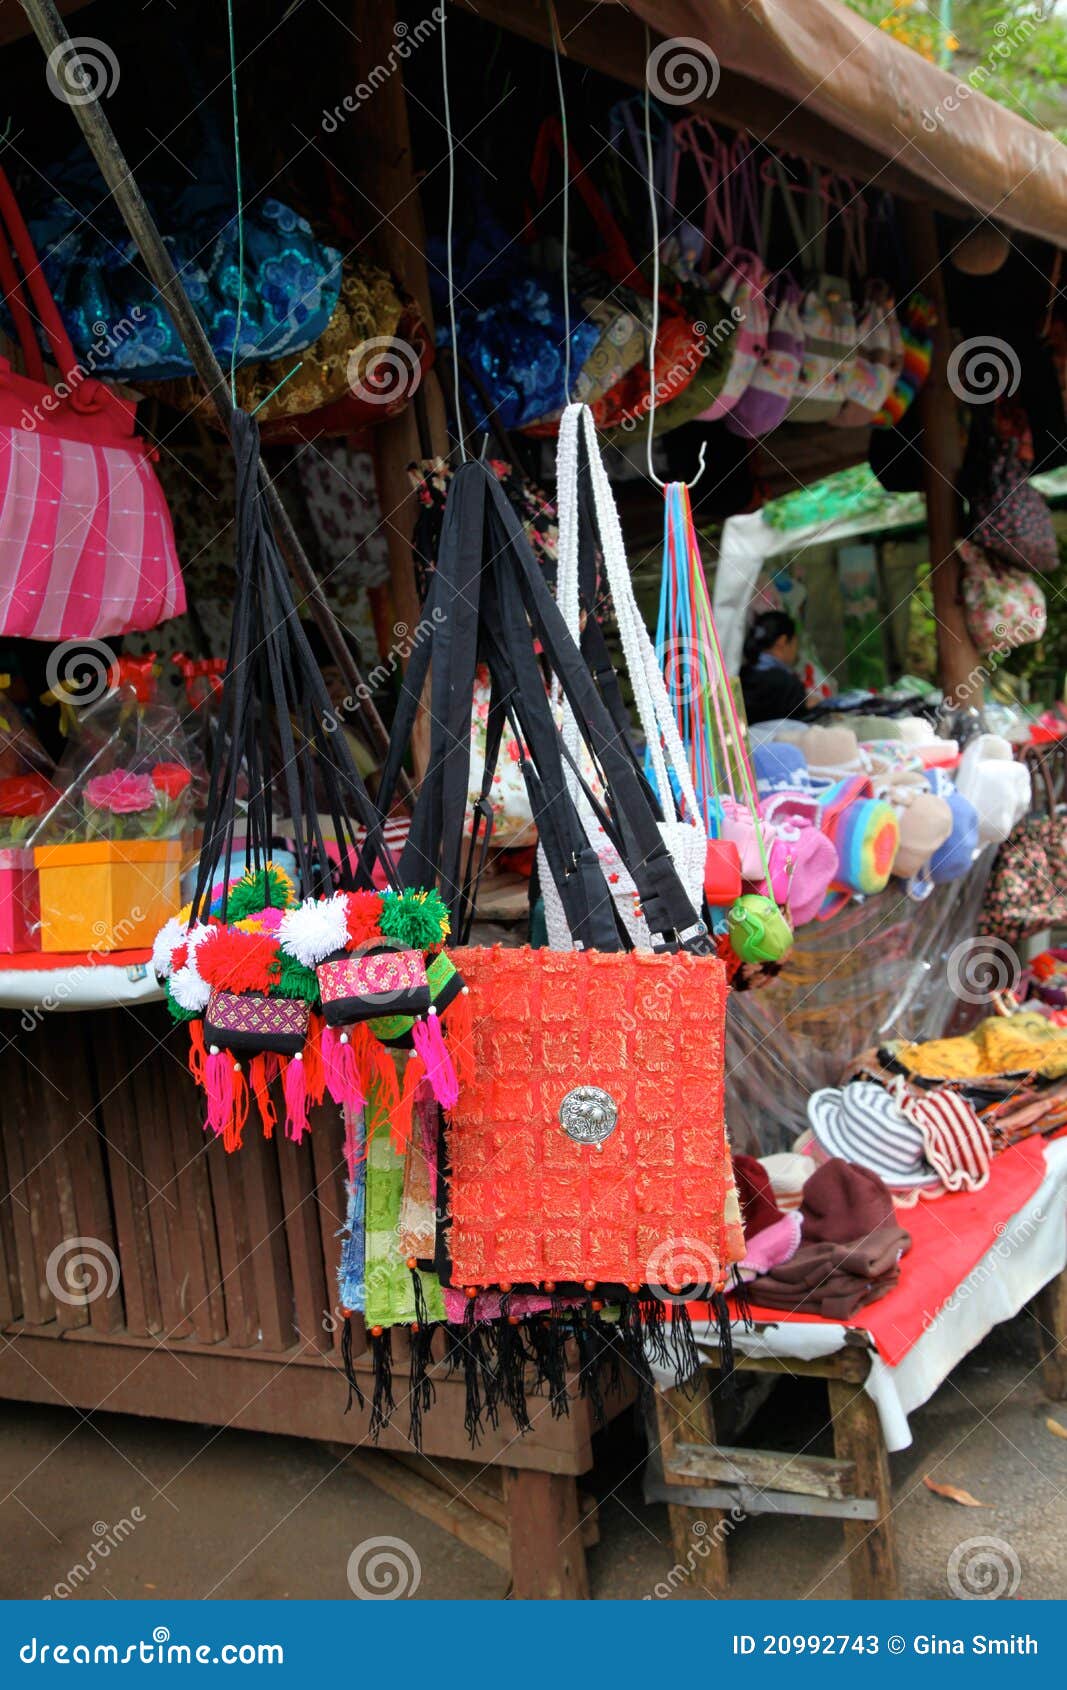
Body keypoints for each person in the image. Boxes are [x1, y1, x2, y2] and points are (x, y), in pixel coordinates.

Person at [740, 611, 809, 725]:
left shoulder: (738, 675)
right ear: (782, 641)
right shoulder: (788, 685)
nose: (796, 650)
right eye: (795, 643)